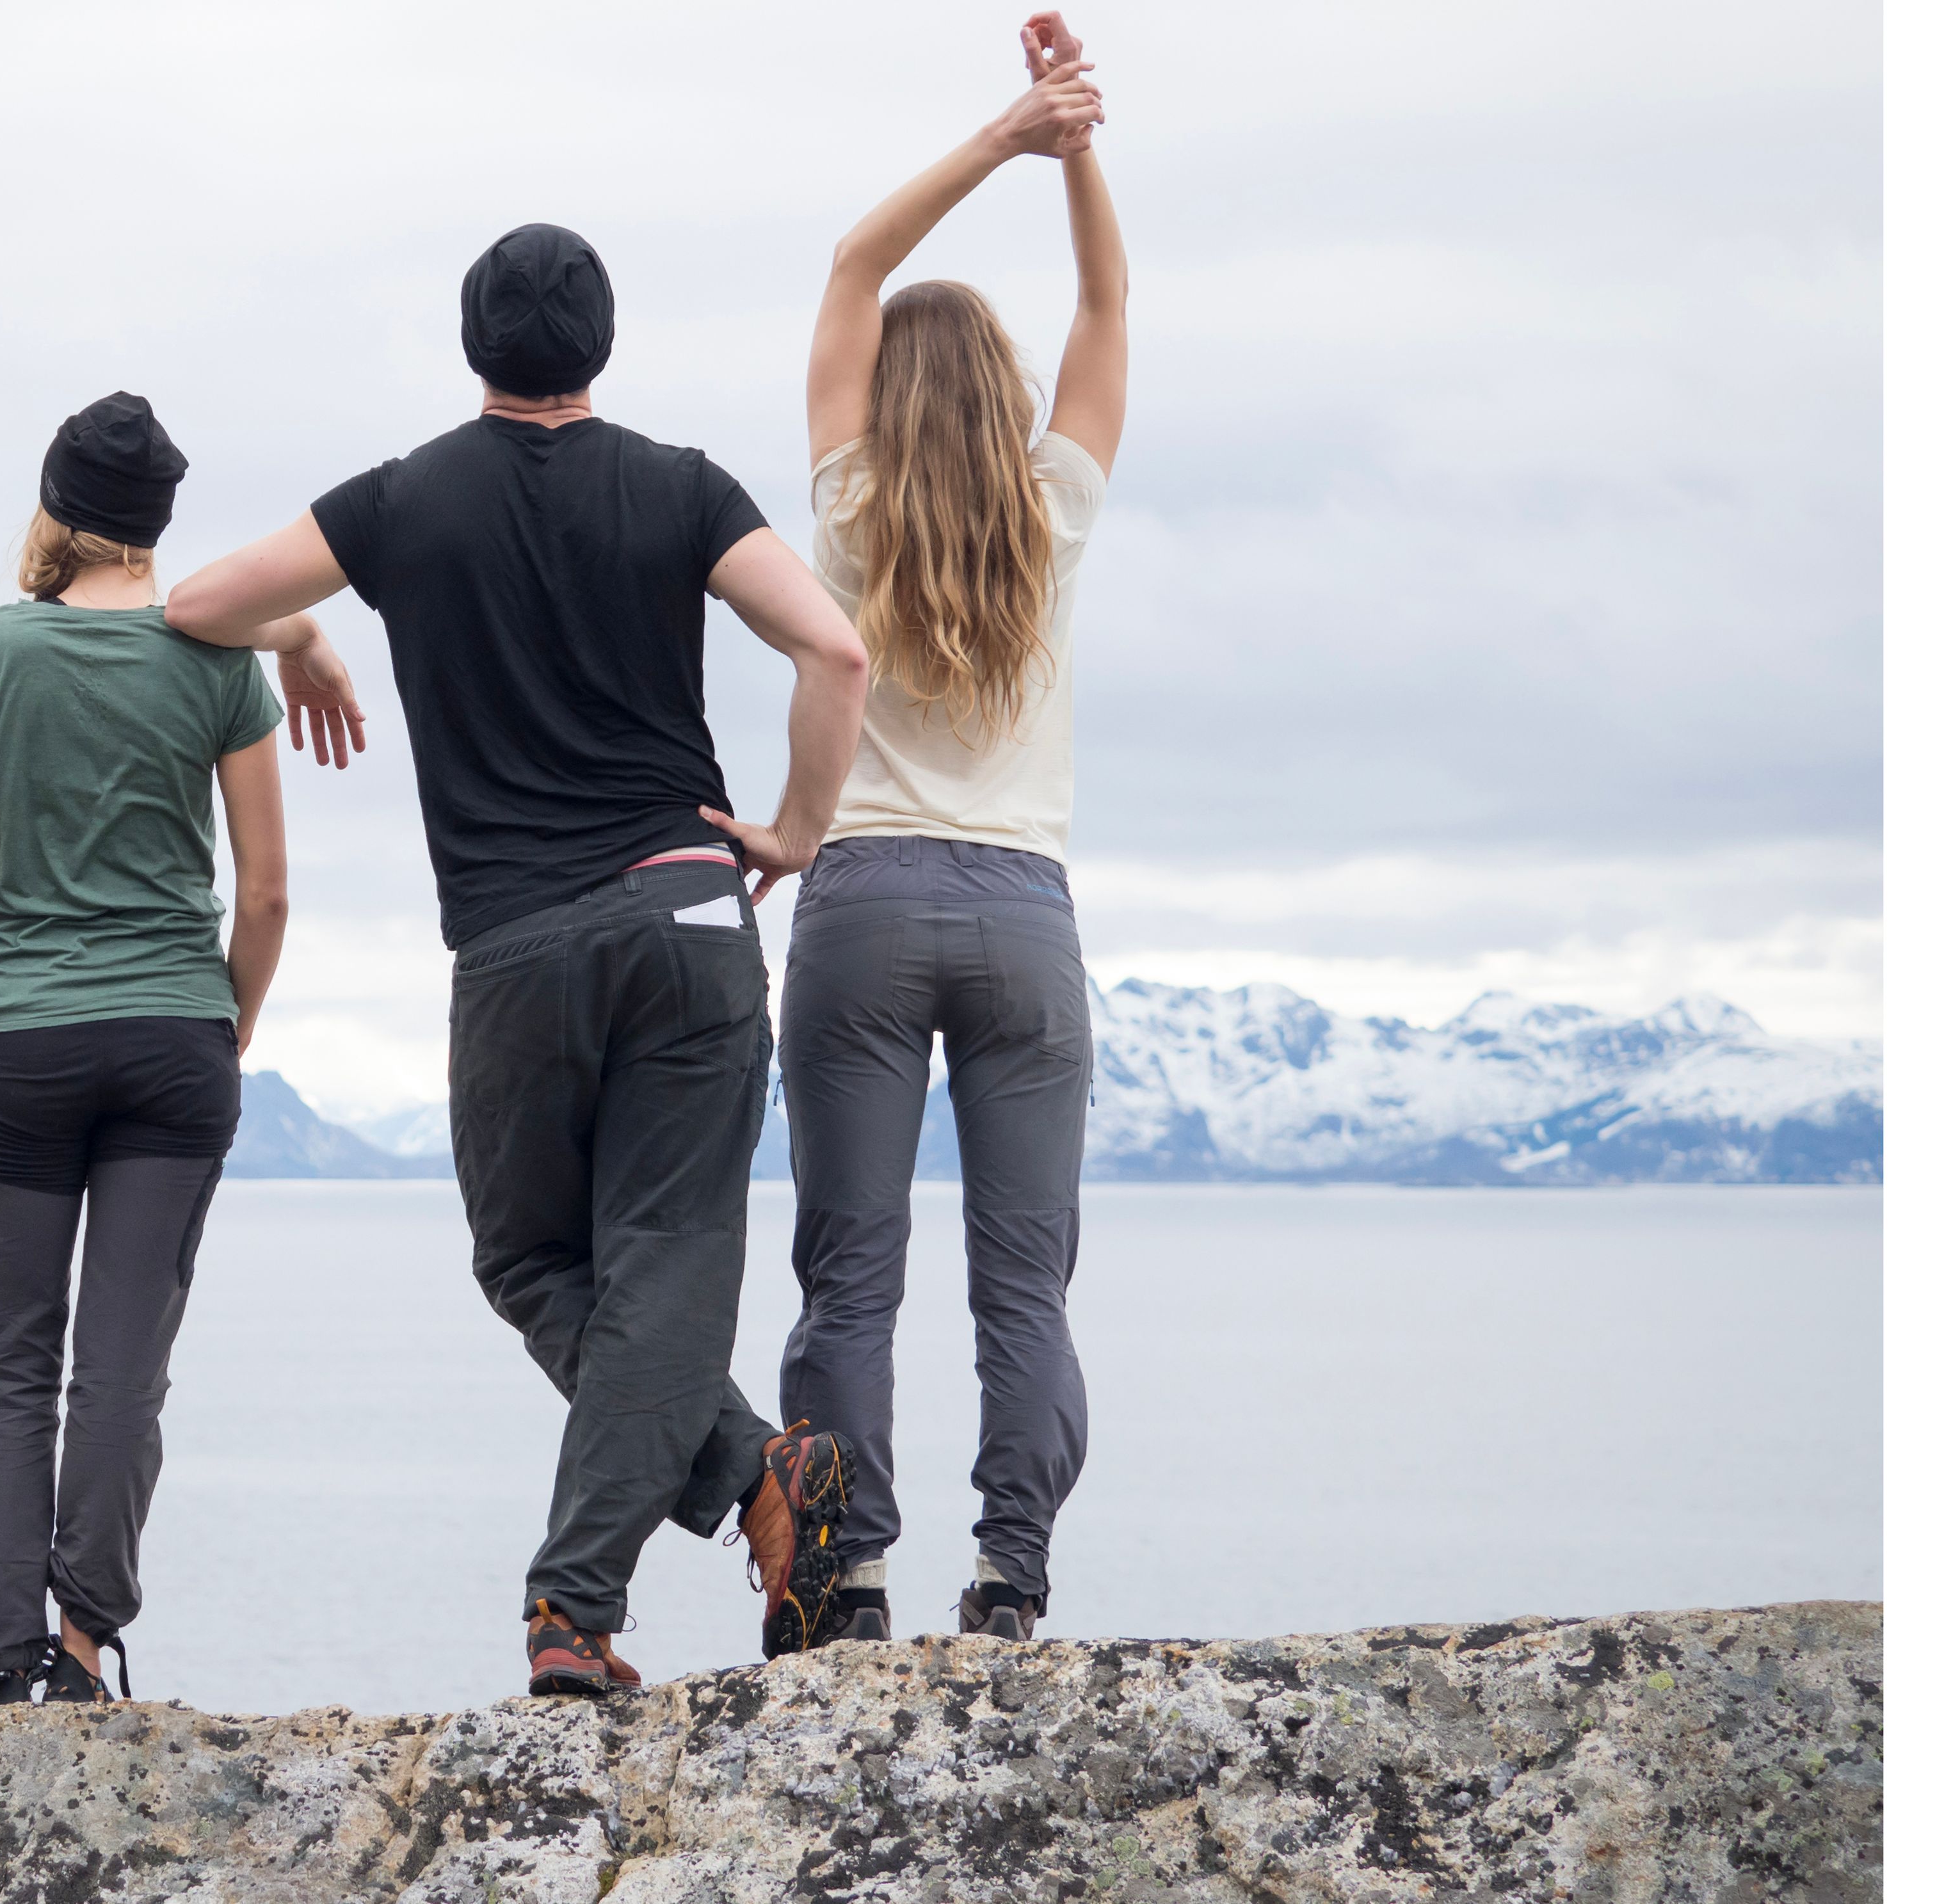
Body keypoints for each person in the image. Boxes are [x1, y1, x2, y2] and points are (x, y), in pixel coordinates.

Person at [159, 222, 890, 1693]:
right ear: (601, 349)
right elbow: (837, 653)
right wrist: (797, 835)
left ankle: (579, 1608)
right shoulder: (684, 489)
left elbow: (194, 607)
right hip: (691, 907)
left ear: (473, 346)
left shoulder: (404, 499)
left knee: (529, 1259)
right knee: (664, 1264)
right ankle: (760, 1476)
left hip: (510, 944)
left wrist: (302, 639)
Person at [775, 15, 1129, 1647]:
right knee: (1022, 1287)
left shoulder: (846, 502)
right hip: (1022, 916)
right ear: (998, 404)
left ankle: (842, 1576)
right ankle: (1013, 1580)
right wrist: (1080, 151)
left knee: (851, 1273)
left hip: (858, 900)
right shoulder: (1052, 511)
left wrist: (1004, 138)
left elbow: (856, 259)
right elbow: (1106, 311)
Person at [0, 393, 340, 1711]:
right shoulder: (216, 664)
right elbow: (265, 892)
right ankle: (86, 1653)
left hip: (17, 1047)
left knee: (5, 1365)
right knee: (120, 1367)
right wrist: (233, 1016)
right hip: (174, 1044)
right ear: (156, 525)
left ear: (55, 510)